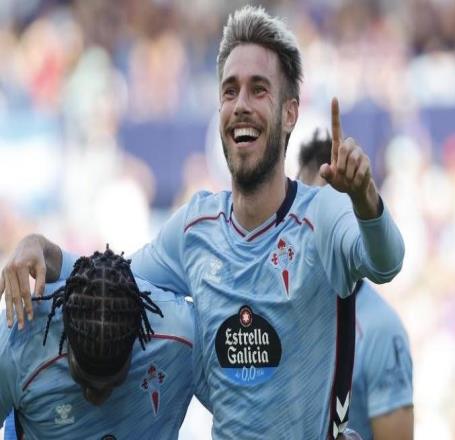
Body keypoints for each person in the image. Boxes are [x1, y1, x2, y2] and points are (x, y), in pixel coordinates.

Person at [0, 6, 404, 439]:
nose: (241, 105)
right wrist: (45, 251)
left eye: (258, 90)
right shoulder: (195, 228)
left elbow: (387, 263)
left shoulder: (323, 213)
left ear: (290, 113)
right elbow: (117, 284)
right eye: (230, 91)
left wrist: (365, 198)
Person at [0, 247, 195, 439]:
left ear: (136, 341)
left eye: (114, 382)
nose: (96, 398)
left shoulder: (183, 335)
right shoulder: (17, 344)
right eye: (83, 379)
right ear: (65, 335)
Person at [298, 130, 414, 439]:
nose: (308, 224)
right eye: (302, 209)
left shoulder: (380, 329)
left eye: (325, 212)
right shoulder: (284, 306)